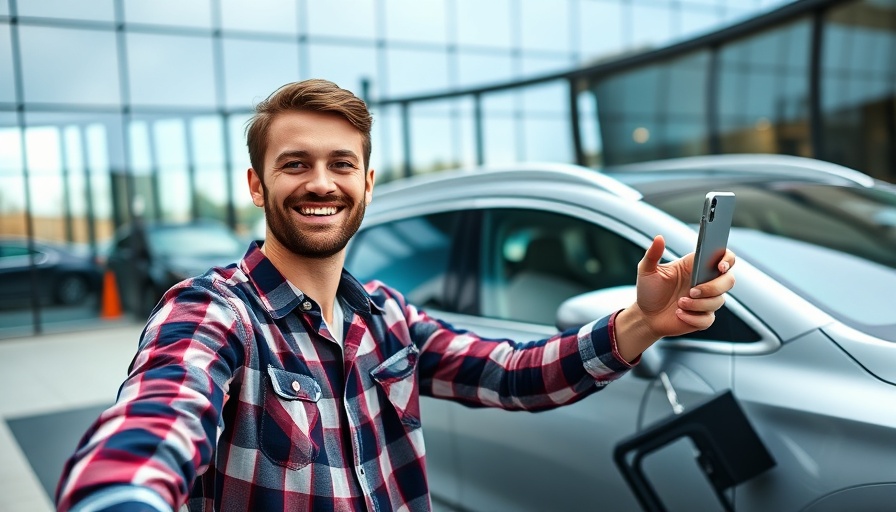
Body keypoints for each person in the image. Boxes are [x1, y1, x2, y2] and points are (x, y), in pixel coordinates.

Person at [56, 79, 735, 512]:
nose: (321, 182)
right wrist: (119, 498)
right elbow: (158, 417)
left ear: (367, 182)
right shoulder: (212, 311)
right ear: (257, 187)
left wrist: (644, 320)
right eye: (295, 164)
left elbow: (513, 375)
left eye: (340, 164)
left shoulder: (386, 316)